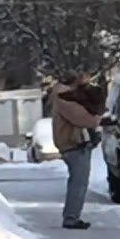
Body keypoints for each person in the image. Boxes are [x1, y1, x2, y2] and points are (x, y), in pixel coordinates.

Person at [49, 74, 101, 229]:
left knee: (78, 182)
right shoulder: (65, 97)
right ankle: (71, 217)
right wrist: (97, 118)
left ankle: (72, 216)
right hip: (74, 144)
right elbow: (82, 118)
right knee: (78, 183)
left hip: (75, 144)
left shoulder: (64, 95)